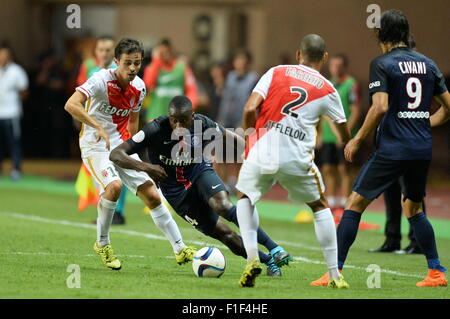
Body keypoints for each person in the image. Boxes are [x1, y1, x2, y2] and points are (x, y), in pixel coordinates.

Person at [312, 10, 449, 287]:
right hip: (421, 149)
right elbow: (448, 107)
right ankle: (436, 272)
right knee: (413, 208)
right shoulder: (429, 64)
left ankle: (334, 272)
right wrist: (424, 123)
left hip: (393, 148)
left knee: (354, 203)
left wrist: (357, 139)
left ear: (381, 35)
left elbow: (380, 106)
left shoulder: (383, 63)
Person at [110, 95, 293, 277]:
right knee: (226, 234)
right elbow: (116, 154)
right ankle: (268, 260)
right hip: (176, 193)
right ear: (169, 117)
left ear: (193, 117)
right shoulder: (155, 129)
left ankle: (274, 249)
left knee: (223, 205)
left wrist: (255, 155)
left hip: (199, 173)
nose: (179, 127)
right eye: (175, 121)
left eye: (184, 121)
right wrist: (147, 167)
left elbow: (231, 138)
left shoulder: (203, 124)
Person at [64, 38, 195, 270]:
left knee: (152, 195)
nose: (133, 68)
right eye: (128, 63)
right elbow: (71, 105)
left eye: (137, 63)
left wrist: (132, 151)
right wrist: (98, 126)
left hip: (120, 145)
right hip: (94, 145)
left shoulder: (140, 87)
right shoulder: (100, 80)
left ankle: (180, 248)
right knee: (113, 187)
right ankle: (102, 243)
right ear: (116, 61)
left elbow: (133, 122)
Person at [235, 34, 351, 288]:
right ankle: (334, 274)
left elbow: (248, 108)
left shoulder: (276, 72)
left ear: (298, 54)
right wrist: (347, 140)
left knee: (245, 197)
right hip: (296, 157)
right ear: (324, 58)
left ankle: (252, 258)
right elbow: (343, 132)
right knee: (320, 206)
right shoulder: (328, 88)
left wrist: (249, 138)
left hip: (262, 150)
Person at [368, 35, 422, 254]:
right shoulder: (390, 70)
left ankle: (416, 241)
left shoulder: (408, 72)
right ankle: (392, 239)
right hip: (390, 139)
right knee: (391, 192)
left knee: (410, 193)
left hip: (404, 140)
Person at [75, 36, 128, 224]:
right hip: (94, 132)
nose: (104, 53)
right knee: (103, 174)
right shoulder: (92, 71)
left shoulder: (120, 74)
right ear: (96, 52)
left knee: (117, 170)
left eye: (108, 50)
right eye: (101, 50)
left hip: (115, 131)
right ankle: (107, 212)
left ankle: (118, 212)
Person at [320, 53, 361, 211]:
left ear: (345, 67)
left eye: (338, 65)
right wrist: (320, 133)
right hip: (328, 135)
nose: (335, 68)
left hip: (344, 136)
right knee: (328, 167)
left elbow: (356, 111)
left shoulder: (351, 84)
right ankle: (330, 201)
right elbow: (323, 111)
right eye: (332, 65)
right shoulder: (327, 84)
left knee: (344, 169)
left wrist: (345, 133)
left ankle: (345, 201)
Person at [216, 50, 258, 193]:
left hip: (242, 122)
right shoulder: (230, 77)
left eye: (243, 60)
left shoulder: (253, 79)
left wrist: (247, 122)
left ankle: (240, 184)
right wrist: (221, 118)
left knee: (240, 155)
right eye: (238, 60)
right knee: (222, 154)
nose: (240, 63)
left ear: (248, 63)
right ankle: (224, 184)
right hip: (227, 120)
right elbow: (226, 99)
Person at [143, 38, 198, 121]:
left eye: (167, 50)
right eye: (162, 52)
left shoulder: (182, 67)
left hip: (177, 116)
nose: (166, 54)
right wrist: (156, 60)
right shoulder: (153, 67)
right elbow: (148, 84)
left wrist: (188, 108)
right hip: (156, 115)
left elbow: (192, 90)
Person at [0, 41, 29, 181]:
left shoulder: (17, 71)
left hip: (11, 113)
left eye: (5, 55)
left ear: (10, 56)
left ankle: (16, 169)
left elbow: (24, 91)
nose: (2, 57)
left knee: (13, 142)